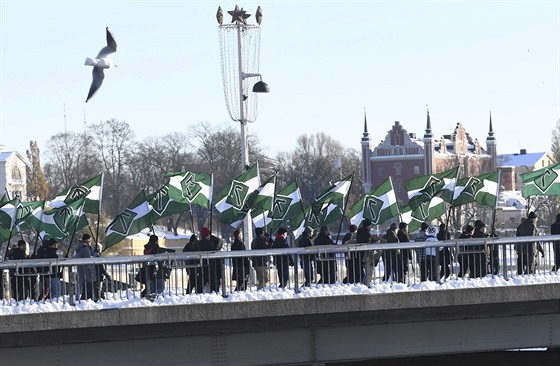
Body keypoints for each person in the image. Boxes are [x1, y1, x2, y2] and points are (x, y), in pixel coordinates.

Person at [199, 227, 223, 293]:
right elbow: (219, 243)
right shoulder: (209, 243)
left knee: (200, 285)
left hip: (203, 267)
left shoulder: (200, 243)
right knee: (214, 286)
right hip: (211, 266)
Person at [74, 234, 97, 301]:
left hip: (82, 271)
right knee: (87, 290)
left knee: (87, 289)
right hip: (88, 272)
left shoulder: (79, 247)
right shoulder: (86, 248)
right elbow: (89, 259)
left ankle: (88, 301)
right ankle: (83, 302)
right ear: (87, 240)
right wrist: (95, 253)